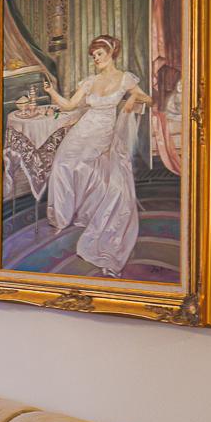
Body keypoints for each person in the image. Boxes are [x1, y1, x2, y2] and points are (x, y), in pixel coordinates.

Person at [43, 35, 150, 276]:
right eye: (93, 56)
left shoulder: (125, 78)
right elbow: (69, 106)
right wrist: (51, 92)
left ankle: (91, 207)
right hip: (83, 129)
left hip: (103, 131)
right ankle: (61, 216)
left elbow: (149, 99)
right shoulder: (90, 81)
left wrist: (133, 97)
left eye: (99, 54)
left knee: (83, 165)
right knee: (61, 163)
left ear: (111, 52)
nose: (96, 59)